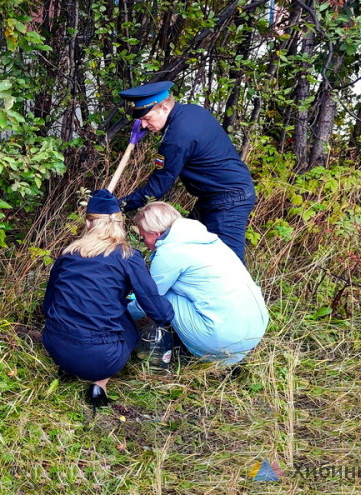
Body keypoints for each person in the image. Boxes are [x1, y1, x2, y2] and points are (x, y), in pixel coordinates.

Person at [41, 190, 174, 410]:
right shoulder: (127, 256)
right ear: (120, 223)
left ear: (89, 223)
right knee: (128, 325)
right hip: (102, 360)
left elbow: (49, 305)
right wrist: (168, 313)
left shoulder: (68, 254)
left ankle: (69, 366)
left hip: (54, 345)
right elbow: (155, 308)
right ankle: (99, 384)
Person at [116, 81, 256, 263]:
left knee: (230, 263)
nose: (142, 125)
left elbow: (156, 189)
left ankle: (241, 292)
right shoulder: (191, 111)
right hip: (216, 195)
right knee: (187, 246)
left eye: (147, 118)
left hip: (229, 200)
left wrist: (118, 205)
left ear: (164, 107)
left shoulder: (176, 138)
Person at [128, 202, 269, 366]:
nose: (144, 242)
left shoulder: (170, 252)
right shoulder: (208, 240)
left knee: (160, 296)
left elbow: (149, 300)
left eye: (144, 237)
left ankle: (198, 351)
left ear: (156, 234)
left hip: (220, 342)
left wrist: (120, 315)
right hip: (253, 334)